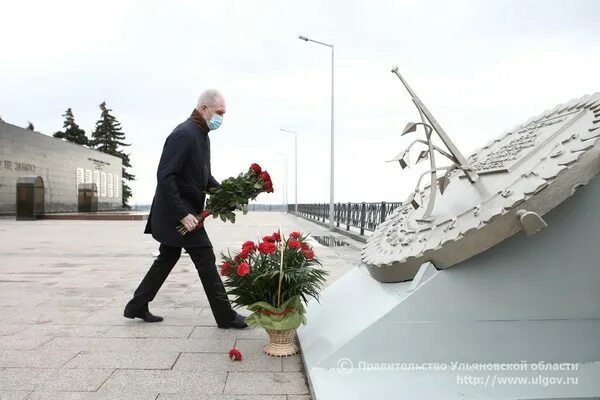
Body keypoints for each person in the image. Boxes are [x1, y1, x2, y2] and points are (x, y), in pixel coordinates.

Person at [124, 89, 247, 329]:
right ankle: (226, 317)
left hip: (184, 212)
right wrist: (182, 214)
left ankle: (137, 305)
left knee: (167, 257)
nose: (222, 118)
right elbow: (165, 176)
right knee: (205, 257)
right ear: (204, 109)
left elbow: (203, 175)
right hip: (178, 213)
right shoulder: (184, 134)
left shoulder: (202, 134)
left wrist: (227, 193)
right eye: (219, 112)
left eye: (224, 113)